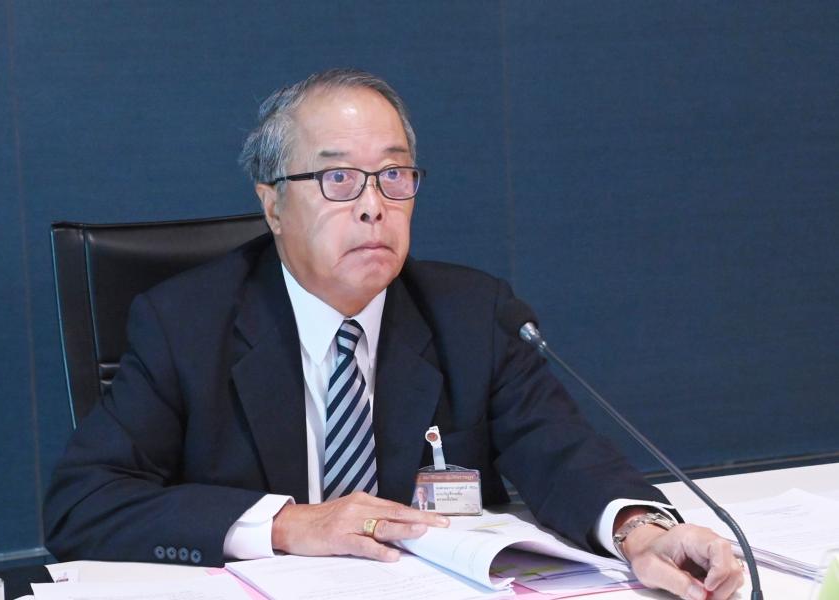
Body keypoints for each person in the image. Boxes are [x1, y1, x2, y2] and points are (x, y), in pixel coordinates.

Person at [44, 69, 743, 600]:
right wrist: (291, 524)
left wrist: (640, 532)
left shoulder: (472, 314)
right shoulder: (186, 323)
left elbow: (560, 454)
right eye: (338, 178)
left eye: (394, 175)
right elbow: (84, 504)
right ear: (273, 205)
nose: (374, 206)